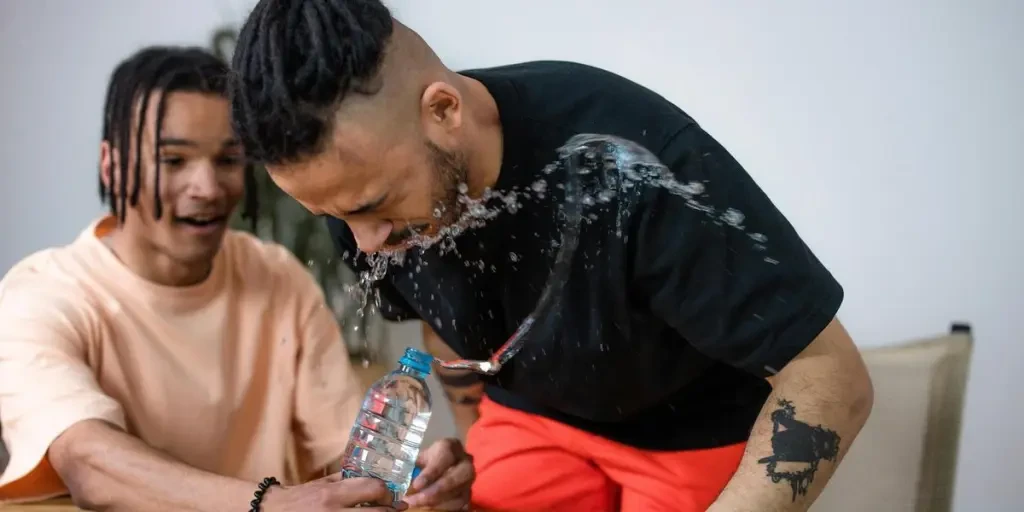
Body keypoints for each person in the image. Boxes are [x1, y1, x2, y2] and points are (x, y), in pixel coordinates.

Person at [229, 1, 875, 511]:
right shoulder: (355, 192)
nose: (365, 244)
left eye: (374, 206)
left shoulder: (635, 163)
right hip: (534, 421)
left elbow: (831, 378)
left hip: (695, 429)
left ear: (444, 110)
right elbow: (438, 320)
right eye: (335, 217)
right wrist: (472, 444)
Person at [0, 45, 472, 512]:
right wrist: (269, 504)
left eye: (228, 160)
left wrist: (414, 483)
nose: (206, 187)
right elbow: (87, 462)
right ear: (111, 164)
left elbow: (346, 457)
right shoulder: (40, 294)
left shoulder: (276, 276)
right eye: (173, 161)